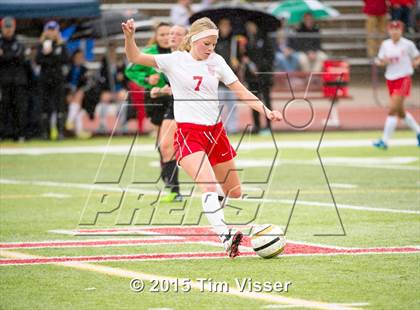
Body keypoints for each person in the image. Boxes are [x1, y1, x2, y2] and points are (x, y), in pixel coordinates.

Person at [122, 17, 282, 257]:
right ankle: (226, 237)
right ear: (194, 40)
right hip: (189, 133)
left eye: (214, 44)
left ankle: (216, 211)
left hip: (216, 132)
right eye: (206, 43)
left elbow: (240, 90)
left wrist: (266, 110)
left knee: (234, 192)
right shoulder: (175, 60)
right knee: (208, 186)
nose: (211, 48)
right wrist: (129, 37)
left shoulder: (216, 62)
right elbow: (135, 58)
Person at [125, 23, 183, 203]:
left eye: (171, 34)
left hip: (178, 101)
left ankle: (173, 183)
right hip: (157, 100)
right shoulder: (152, 52)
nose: (167, 37)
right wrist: (148, 81)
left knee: (171, 144)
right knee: (163, 144)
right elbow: (131, 70)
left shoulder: (183, 54)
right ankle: (169, 179)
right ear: (157, 37)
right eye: (164, 34)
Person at [373, 21, 420, 149]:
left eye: (397, 29)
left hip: (403, 78)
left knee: (393, 109)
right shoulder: (385, 44)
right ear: (388, 31)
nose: (394, 32)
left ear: (401, 31)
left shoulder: (408, 44)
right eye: (392, 29)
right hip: (390, 78)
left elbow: (417, 57)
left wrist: (415, 63)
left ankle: (385, 141)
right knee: (400, 112)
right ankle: (419, 132)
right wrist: (382, 62)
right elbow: (379, 59)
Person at [36, 20, 68, 140]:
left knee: (59, 105)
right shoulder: (41, 44)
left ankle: (60, 132)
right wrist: (46, 54)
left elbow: (65, 59)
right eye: (49, 29)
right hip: (44, 80)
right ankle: (45, 133)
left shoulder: (61, 44)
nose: (51, 32)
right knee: (45, 106)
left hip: (58, 79)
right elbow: (38, 60)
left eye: (53, 29)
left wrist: (51, 54)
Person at [243, 21, 275, 135]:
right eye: (248, 26)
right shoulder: (247, 40)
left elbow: (270, 57)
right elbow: (245, 55)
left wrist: (260, 68)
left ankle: (269, 125)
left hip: (264, 76)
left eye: (251, 25)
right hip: (251, 77)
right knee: (254, 101)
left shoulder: (265, 39)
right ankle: (257, 125)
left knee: (266, 101)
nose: (250, 28)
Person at [0, 16, 28, 141]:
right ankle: (2, 134)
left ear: (14, 27)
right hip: (3, 82)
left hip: (18, 81)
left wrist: (5, 55)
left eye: (10, 27)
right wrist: (10, 56)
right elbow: (14, 57)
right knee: (3, 109)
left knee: (19, 109)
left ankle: (20, 134)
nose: (8, 30)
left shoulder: (19, 42)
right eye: (6, 27)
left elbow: (20, 58)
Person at [215, 18, 240, 134]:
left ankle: (232, 128)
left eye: (227, 26)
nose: (225, 28)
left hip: (231, 79)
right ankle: (218, 128)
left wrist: (238, 61)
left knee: (232, 106)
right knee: (218, 106)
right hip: (218, 80)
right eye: (223, 26)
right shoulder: (215, 42)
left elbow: (240, 58)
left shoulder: (234, 41)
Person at [65, 49, 90, 138]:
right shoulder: (68, 68)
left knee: (79, 96)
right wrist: (69, 93)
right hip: (67, 95)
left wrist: (79, 91)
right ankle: (79, 131)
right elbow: (65, 83)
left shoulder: (85, 70)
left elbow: (87, 85)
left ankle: (70, 121)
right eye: (78, 57)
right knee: (77, 108)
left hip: (81, 96)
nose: (80, 59)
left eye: (81, 57)